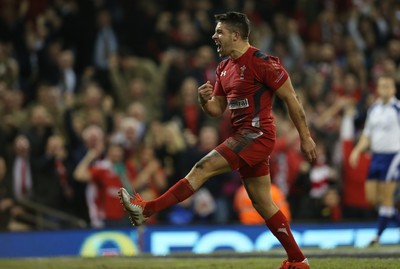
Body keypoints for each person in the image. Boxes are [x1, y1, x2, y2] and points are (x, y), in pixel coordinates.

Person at [119, 12, 316, 269]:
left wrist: (306, 137)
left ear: (236, 35)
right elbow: (217, 109)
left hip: (257, 135)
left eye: (219, 32)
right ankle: (299, 260)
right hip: (242, 137)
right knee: (262, 202)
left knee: (202, 168)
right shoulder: (223, 68)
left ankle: (146, 210)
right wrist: (204, 101)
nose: (214, 36)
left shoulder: (262, 62)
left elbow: (292, 99)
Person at [349, 75, 400, 246]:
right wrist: (357, 150)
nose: (384, 89)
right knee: (372, 199)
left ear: (393, 89)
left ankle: (376, 237)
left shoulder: (397, 108)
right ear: (377, 89)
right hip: (376, 156)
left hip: (393, 157)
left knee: (387, 198)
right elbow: (367, 135)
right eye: (382, 86)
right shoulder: (374, 109)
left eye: (388, 86)